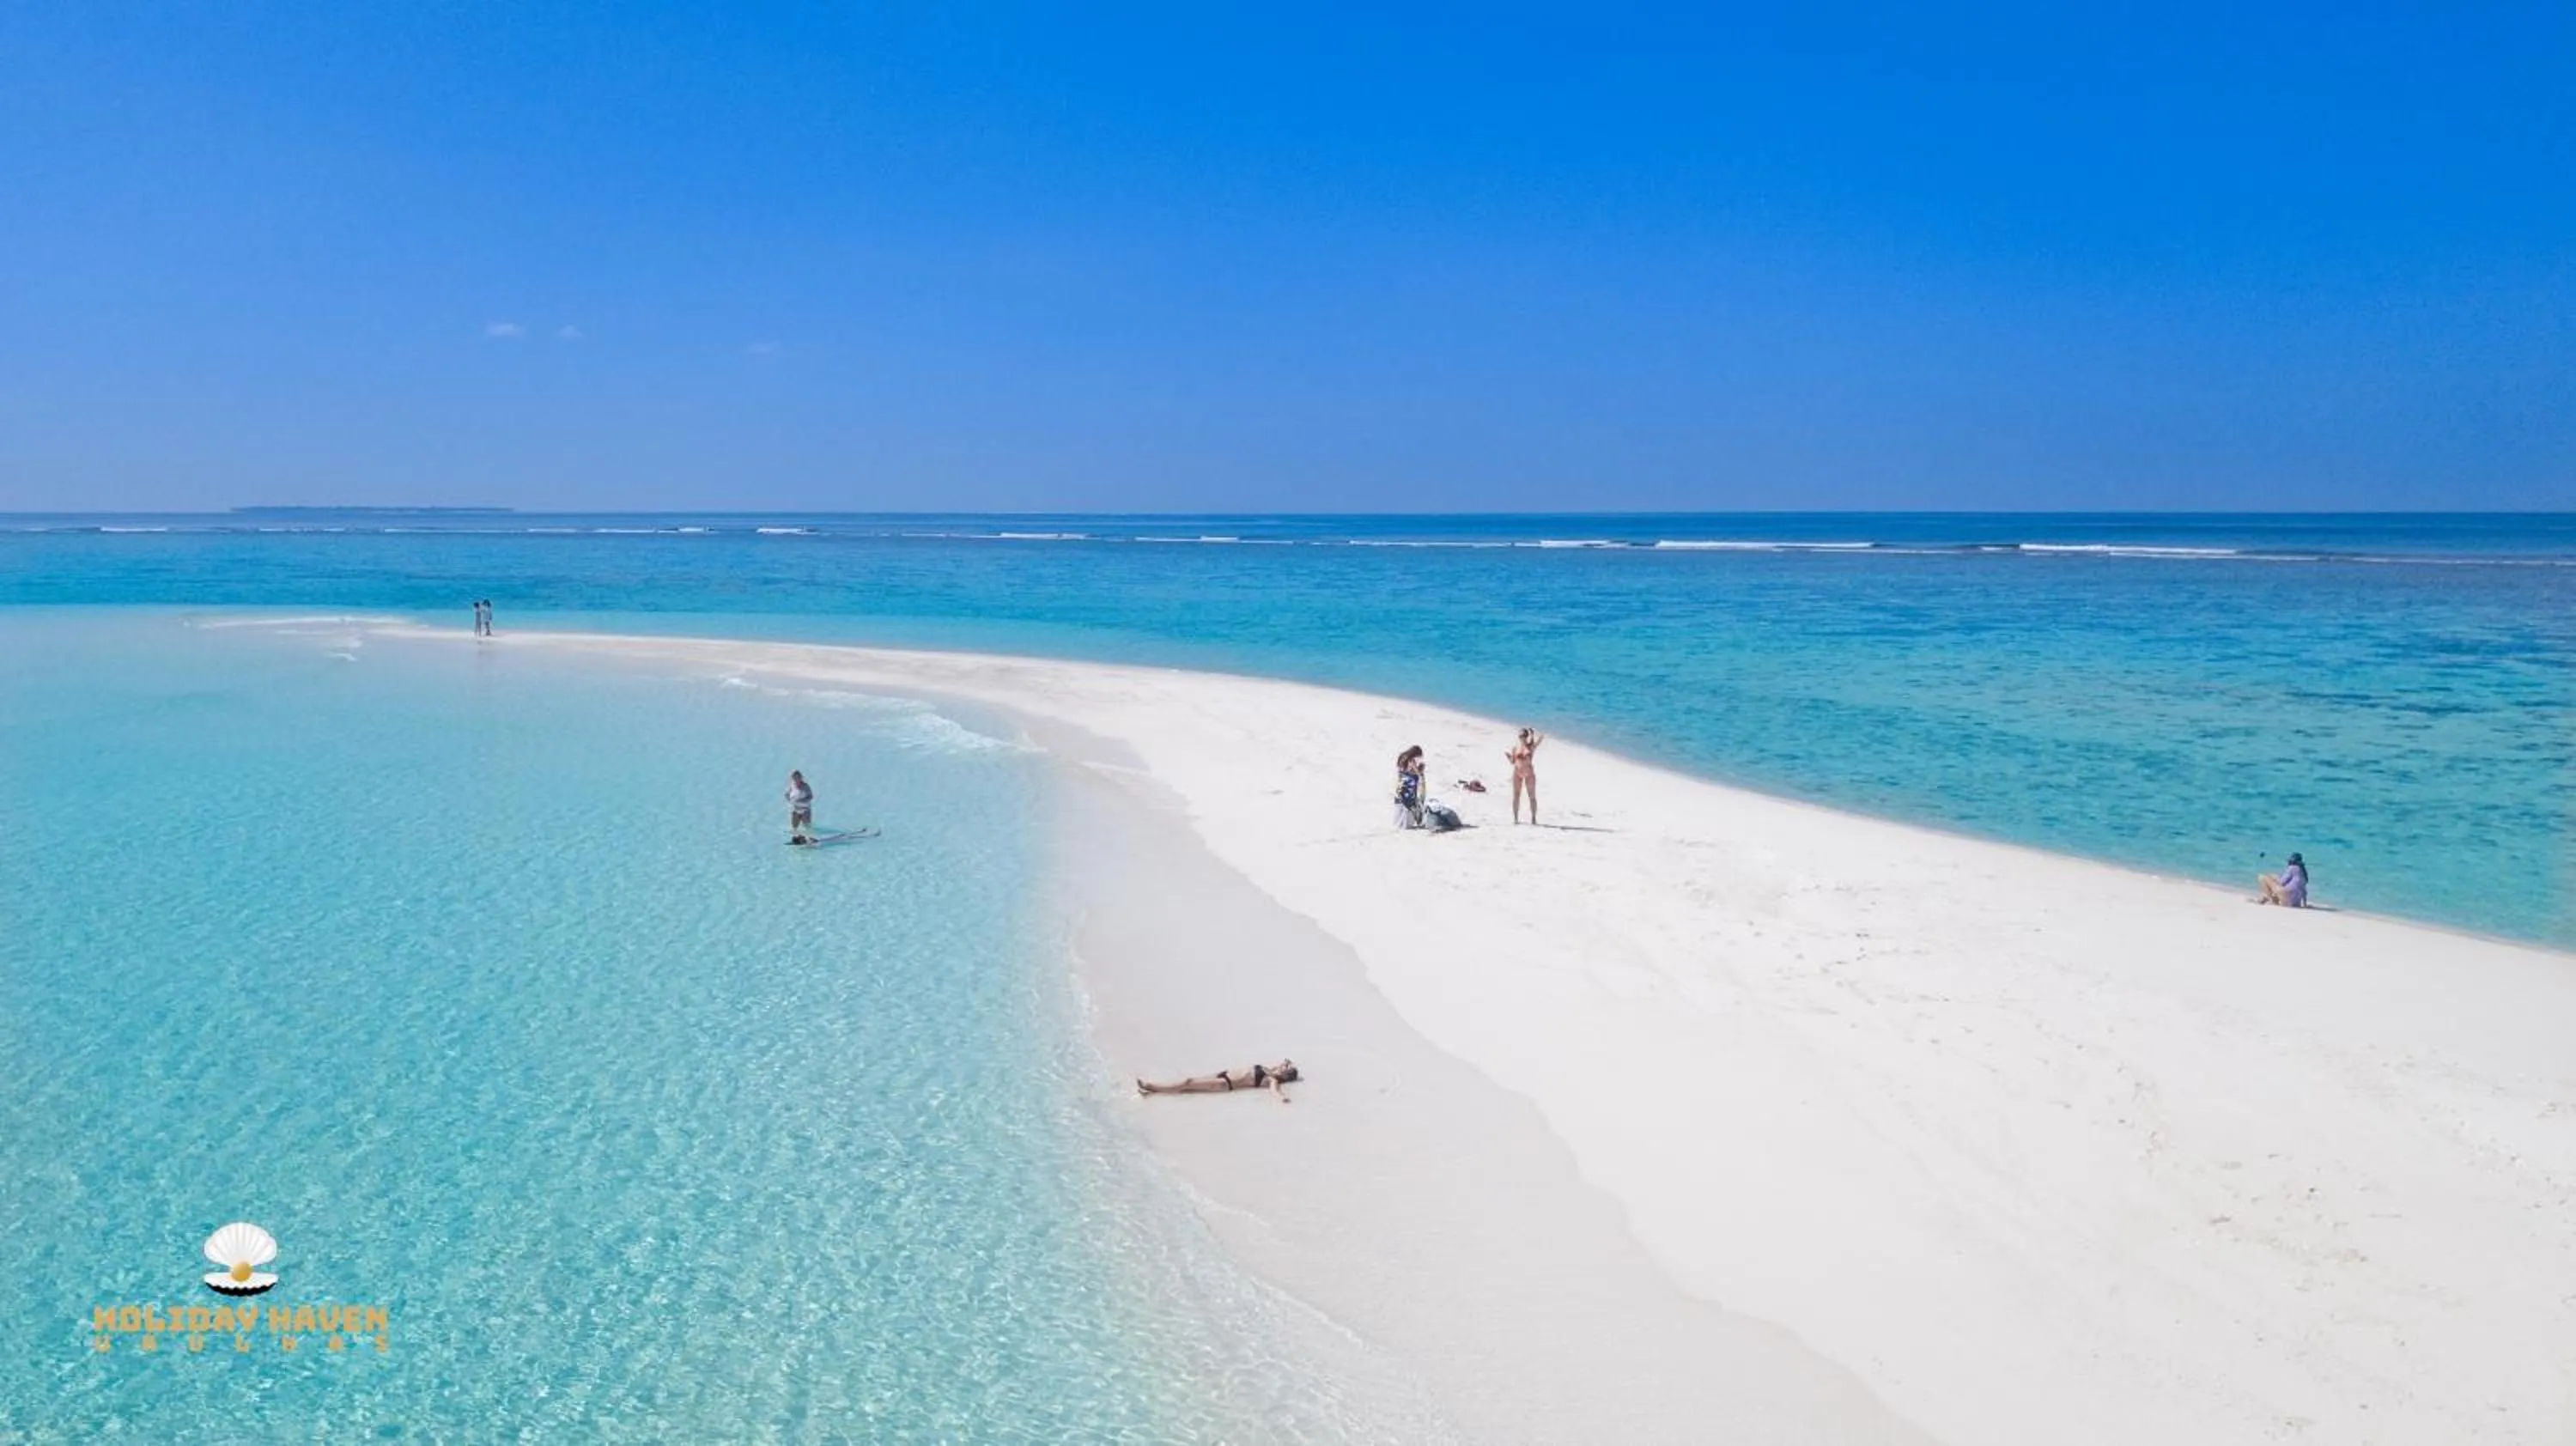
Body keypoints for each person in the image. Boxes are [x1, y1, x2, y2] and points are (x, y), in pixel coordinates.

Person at [1136, 1060, 1299, 1103]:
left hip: (1225, 1084)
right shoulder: (1270, 1069)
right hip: (1223, 1074)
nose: (1282, 1067)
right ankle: (1152, 1093)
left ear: (1284, 1076)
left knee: (1188, 1083)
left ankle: (1150, 1086)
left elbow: (1275, 1092)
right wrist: (1286, 1063)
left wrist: (1282, 1098)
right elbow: (1282, 1063)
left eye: (1285, 1069)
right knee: (1187, 1086)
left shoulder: (1271, 1080)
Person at [1505, 727, 1545, 824]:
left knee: (1532, 796)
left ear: (1527, 737)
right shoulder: (1515, 748)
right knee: (1516, 795)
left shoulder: (1531, 747)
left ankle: (1533, 818)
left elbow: (1541, 738)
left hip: (1529, 773)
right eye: (1520, 736)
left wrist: (1534, 733)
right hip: (1517, 772)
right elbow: (1513, 762)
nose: (1522, 738)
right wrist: (1509, 757)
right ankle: (1515, 818)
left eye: (1523, 736)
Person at [1393, 745, 1426, 828]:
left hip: (1400, 789)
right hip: (1408, 790)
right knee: (1407, 812)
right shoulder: (1411, 761)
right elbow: (1416, 774)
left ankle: (1400, 825)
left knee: (1399, 811)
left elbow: (1404, 772)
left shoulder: (1402, 759)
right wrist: (1420, 772)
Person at [786, 769, 815, 844]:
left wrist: (803, 801)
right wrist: (791, 801)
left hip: (805, 809)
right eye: (794, 778)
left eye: (798, 777)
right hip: (795, 809)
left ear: (801, 778)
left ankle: (810, 838)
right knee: (794, 826)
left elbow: (811, 796)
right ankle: (797, 838)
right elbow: (786, 794)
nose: (797, 779)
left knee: (806, 825)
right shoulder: (792, 786)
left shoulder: (806, 786)